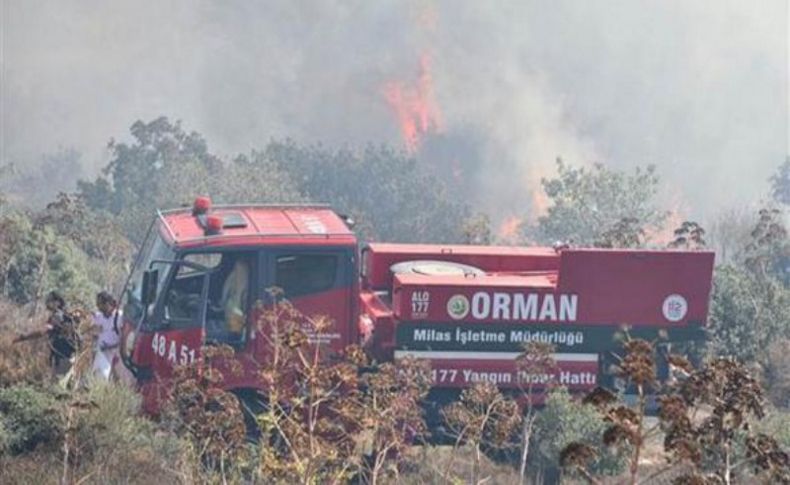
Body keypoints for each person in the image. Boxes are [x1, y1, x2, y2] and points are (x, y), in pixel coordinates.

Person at [14, 291, 78, 376]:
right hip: (66, 354)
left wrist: (23, 337)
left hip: (62, 355)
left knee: (57, 382)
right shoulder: (62, 315)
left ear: (58, 302)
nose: (48, 302)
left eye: (51, 300)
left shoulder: (57, 316)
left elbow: (42, 331)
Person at [92, 291, 121, 380]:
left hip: (117, 356)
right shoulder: (98, 317)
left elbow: (125, 340)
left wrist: (110, 346)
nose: (98, 307)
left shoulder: (120, 317)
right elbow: (95, 334)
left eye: (100, 304)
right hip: (102, 355)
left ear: (107, 304)